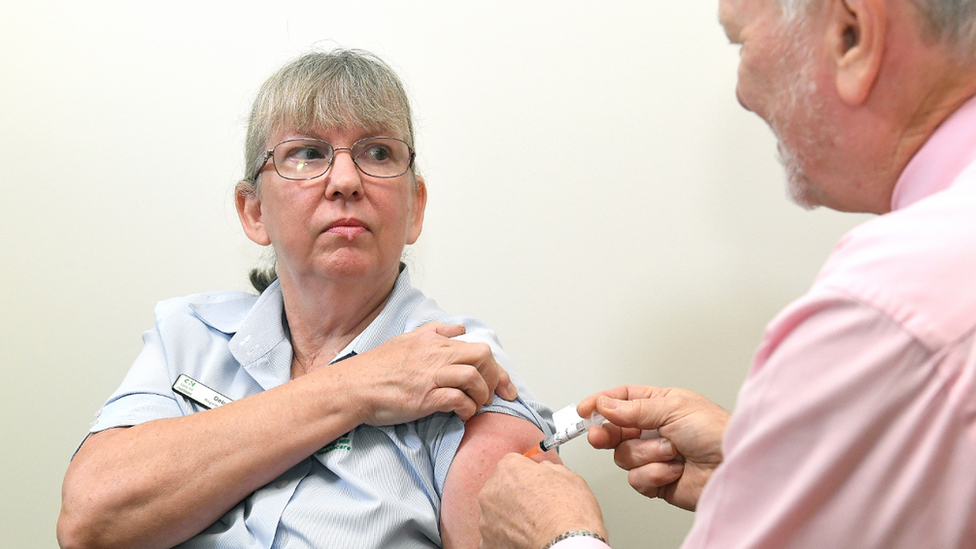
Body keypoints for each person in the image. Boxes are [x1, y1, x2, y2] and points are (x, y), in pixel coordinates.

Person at [478, 0, 976, 547]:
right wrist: (766, 464)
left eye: (742, 44)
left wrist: (559, 537)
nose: (742, 92)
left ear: (851, 35)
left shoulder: (886, 310)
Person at [57, 49, 558, 549]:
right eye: (308, 154)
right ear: (253, 211)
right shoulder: (187, 335)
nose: (345, 182)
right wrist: (356, 386)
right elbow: (90, 522)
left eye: (378, 153)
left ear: (414, 208)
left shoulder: (459, 362)